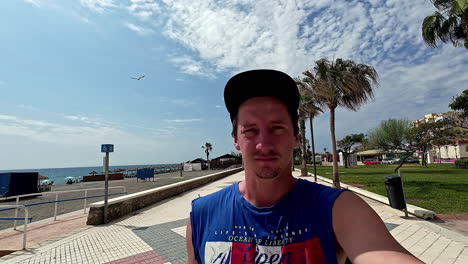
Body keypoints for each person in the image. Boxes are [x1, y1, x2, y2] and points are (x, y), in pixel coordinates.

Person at [186, 69, 422, 264]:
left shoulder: (338, 209)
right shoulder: (201, 215)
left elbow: (380, 253)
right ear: (236, 140)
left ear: (296, 138)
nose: (263, 144)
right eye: (250, 130)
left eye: (277, 128)